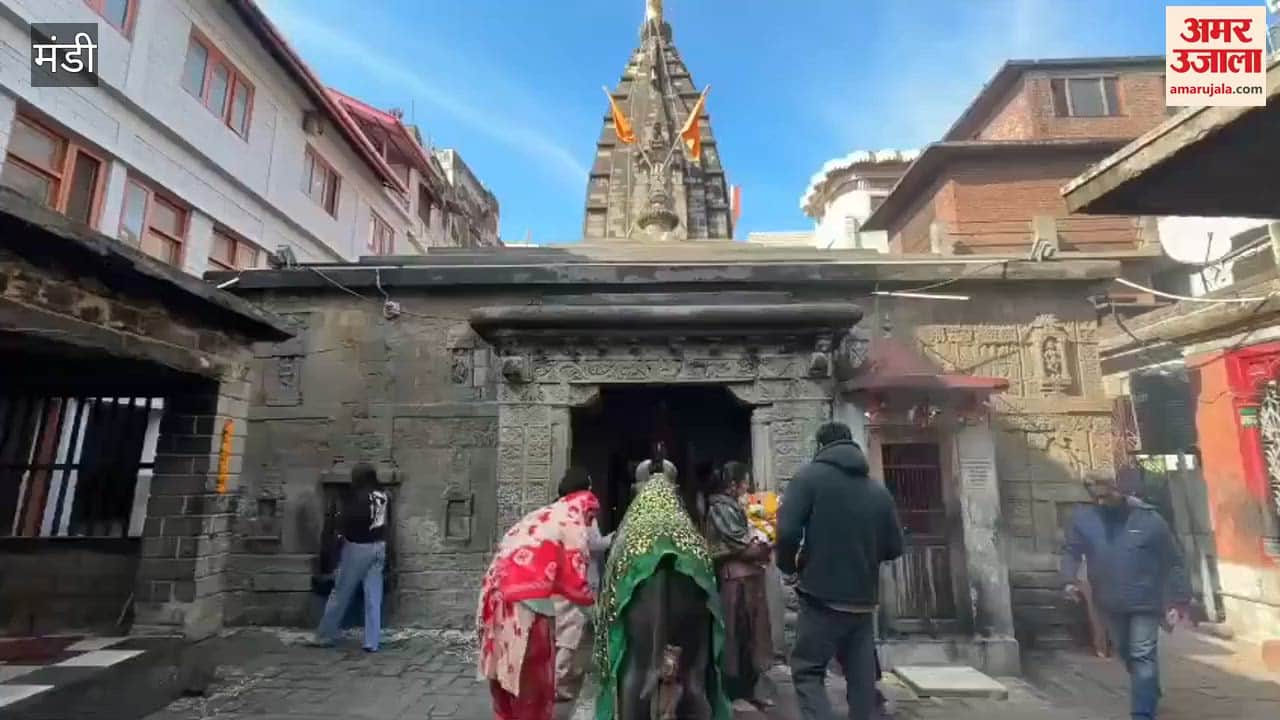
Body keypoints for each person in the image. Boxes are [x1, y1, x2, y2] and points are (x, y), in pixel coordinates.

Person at [776, 422, 903, 720]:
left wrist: (788, 567)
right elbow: (894, 548)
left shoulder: (809, 478)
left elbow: (786, 532)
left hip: (821, 598)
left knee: (808, 671)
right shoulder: (877, 490)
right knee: (861, 680)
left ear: (820, 446)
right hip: (863, 602)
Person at [1062, 475, 1191, 720]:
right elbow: (1072, 551)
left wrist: (1177, 600)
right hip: (1109, 600)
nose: (1102, 502)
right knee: (1126, 652)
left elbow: (1173, 561)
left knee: (1143, 654)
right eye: (1096, 497)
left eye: (1106, 496)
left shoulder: (1149, 519)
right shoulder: (1085, 520)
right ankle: (1149, 686)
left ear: (1119, 491)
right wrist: (1068, 579)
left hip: (1146, 599)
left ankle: (1142, 713)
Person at [477, 471, 599, 720]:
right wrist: (600, 617)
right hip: (526, 608)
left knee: (506, 675)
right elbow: (577, 583)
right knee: (534, 681)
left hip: (495, 595)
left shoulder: (542, 514)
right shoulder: (573, 518)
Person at [704, 461, 774, 709]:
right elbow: (739, 544)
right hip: (736, 581)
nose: (747, 487)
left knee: (751, 636)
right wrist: (763, 544)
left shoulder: (737, 507)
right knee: (736, 634)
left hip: (749, 580)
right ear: (732, 485)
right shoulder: (721, 509)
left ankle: (748, 688)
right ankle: (732, 692)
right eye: (744, 481)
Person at [313, 463, 392, 652]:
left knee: (340, 593)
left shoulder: (357, 497)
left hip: (358, 547)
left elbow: (351, 521)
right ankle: (372, 641)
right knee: (374, 595)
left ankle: (325, 635)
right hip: (379, 546)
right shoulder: (383, 496)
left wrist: (340, 539)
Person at [553, 467, 613, 703]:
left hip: (557, 576)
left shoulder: (555, 509)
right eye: (588, 485)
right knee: (572, 630)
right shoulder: (582, 510)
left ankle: (562, 675)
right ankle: (558, 685)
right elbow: (594, 543)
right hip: (578, 578)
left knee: (560, 629)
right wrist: (616, 537)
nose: (591, 489)